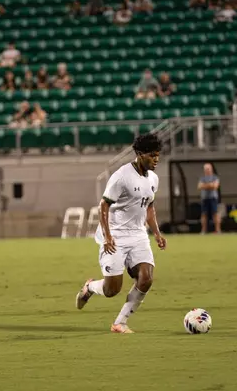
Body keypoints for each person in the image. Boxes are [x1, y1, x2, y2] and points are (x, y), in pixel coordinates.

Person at [74, 133, 166, 333]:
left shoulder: (153, 179)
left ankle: (120, 323)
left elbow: (149, 206)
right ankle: (90, 287)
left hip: (138, 234)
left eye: (158, 155)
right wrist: (108, 237)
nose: (156, 159)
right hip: (116, 235)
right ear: (140, 154)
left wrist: (157, 233)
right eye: (152, 155)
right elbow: (103, 205)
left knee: (146, 278)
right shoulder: (122, 176)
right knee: (111, 290)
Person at [197, 163, 221, 234]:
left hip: (213, 198)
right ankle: (203, 230)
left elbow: (215, 186)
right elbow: (199, 186)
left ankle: (218, 230)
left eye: (208, 169)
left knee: (215, 214)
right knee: (204, 214)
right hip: (204, 198)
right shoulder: (202, 178)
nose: (207, 170)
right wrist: (210, 185)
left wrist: (205, 186)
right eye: (206, 169)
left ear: (211, 169)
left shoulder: (215, 177)